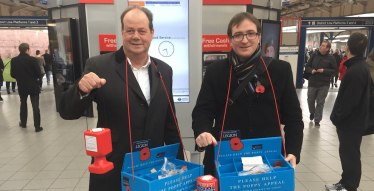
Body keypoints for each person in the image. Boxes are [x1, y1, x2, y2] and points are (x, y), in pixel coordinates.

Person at [58, 6, 184, 191]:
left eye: (142, 31)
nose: (136, 36)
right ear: (122, 32)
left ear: (151, 33)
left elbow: (170, 122)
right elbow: (67, 112)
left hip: (154, 166)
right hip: (113, 165)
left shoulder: (164, 70)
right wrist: (80, 90)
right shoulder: (98, 65)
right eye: (130, 30)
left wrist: (179, 164)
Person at [192, 12, 304, 176]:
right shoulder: (216, 71)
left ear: (259, 37)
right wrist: (202, 131)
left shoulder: (280, 70)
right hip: (226, 156)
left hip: (269, 157)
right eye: (238, 35)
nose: (245, 40)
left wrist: (293, 151)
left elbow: (294, 118)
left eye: (250, 33)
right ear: (230, 39)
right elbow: (203, 110)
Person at [327, 33, 371, 191]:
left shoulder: (356, 70)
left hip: (351, 123)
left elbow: (350, 101)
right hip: (354, 122)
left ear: (347, 48)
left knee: (350, 156)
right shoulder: (360, 66)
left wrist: (338, 117)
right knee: (348, 155)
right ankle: (345, 182)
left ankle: (350, 186)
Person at [10, 43, 43, 132]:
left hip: (22, 86)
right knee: (35, 105)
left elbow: (12, 74)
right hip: (33, 86)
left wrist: (20, 78)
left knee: (23, 103)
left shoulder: (14, 60)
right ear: (27, 50)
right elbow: (38, 73)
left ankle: (23, 123)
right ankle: (37, 126)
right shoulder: (32, 59)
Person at [304, 41, 337, 127]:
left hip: (324, 84)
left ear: (327, 49)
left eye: (323, 46)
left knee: (320, 102)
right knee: (310, 100)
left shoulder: (331, 58)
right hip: (312, 82)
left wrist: (324, 71)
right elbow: (307, 66)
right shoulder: (314, 55)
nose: (321, 47)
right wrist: (311, 70)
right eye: (321, 45)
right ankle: (312, 112)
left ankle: (317, 119)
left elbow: (334, 71)